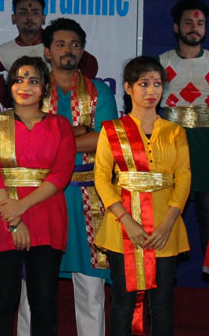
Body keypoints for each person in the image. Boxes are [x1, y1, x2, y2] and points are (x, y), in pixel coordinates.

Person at [17, 18, 117, 336]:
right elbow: (23, 139)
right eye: (60, 44)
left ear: (83, 50)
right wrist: (77, 133)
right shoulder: (32, 88)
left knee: (91, 289)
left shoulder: (99, 91)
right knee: (31, 289)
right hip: (40, 199)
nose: (68, 50)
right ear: (47, 51)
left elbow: (105, 140)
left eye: (74, 44)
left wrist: (51, 138)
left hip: (88, 198)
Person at [0, 56, 75, 336]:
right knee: (3, 298)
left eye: (33, 81)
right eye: (19, 80)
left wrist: (21, 207)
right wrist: (14, 220)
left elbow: (60, 175)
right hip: (3, 216)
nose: (25, 87)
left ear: (44, 88)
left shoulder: (60, 126)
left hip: (47, 216)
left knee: (43, 299)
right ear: (9, 86)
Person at [94, 55, 191, 335]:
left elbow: (183, 178)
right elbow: (102, 178)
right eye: (143, 83)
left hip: (165, 229)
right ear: (128, 88)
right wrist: (126, 220)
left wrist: (168, 223)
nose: (151, 91)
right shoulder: (112, 130)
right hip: (122, 229)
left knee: (162, 303)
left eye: (157, 84)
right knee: (123, 304)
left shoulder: (174, 132)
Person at [0, 0, 98, 107]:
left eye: (35, 12)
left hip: (59, 110)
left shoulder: (57, 44)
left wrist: (75, 96)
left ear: (43, 18)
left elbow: (90, 63)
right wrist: (9, 101)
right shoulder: (5, 51)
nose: (29, 17)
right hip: (25, 112)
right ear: (14, 18)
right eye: (23, 12)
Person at [158, 0, 209, 259]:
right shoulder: (161, 63)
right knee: (167, 212)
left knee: (207, 214)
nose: (194, 28)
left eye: (200, 23)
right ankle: (163, 273)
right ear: (177, 27)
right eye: (188, 22)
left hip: (206, 148)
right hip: (172, 145)